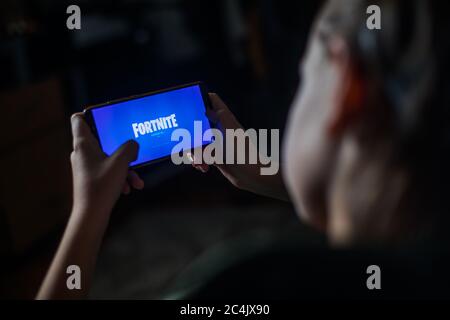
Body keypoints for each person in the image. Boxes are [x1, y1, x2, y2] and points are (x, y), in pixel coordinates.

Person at [37, 0, 450, 299]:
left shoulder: (255, 285)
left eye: (304, 78)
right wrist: (262, 173)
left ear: (347, 87)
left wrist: (88, 214)